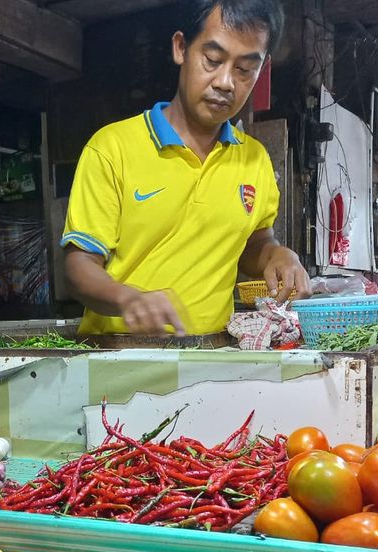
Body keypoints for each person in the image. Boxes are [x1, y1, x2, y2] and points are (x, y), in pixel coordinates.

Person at [62, 0, 310, 336]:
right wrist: (127, 299)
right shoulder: (112, 148)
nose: (225, 82)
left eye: (244, 69)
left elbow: (252, 243)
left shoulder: (255, 160)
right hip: (117, 361)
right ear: (181, 48)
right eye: (213, 60)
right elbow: (79, 266)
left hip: (212, 359)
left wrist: (277, 255)